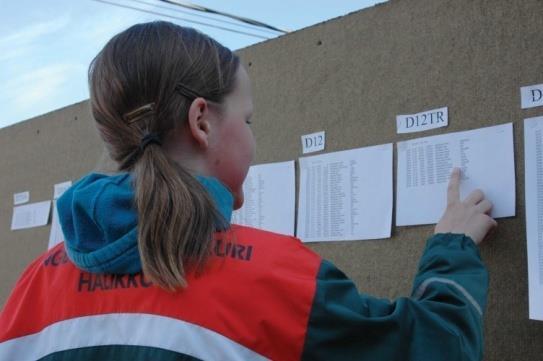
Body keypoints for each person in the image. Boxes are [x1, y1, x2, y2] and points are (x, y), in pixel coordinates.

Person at [0, 21, 496, 361]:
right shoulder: (278, 280)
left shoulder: (32, 289)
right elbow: (437, 347)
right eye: (249, 118)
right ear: (202, 121)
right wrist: (451, 248)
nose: (254, 137)